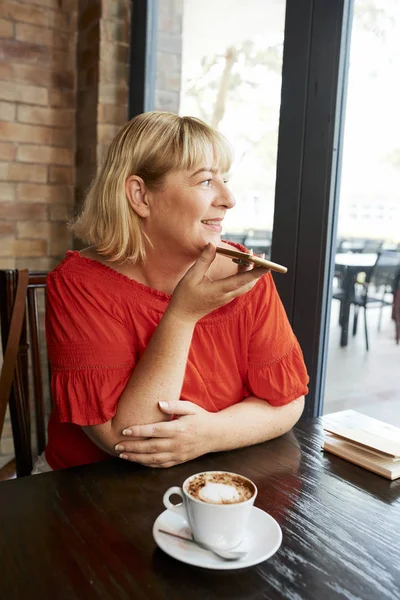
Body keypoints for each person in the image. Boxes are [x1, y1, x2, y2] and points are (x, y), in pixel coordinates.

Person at [33, 111, 309, 473]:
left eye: (224, 179)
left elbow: (288, 401)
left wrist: (211, 434)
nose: (228, 199)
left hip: (215, 481)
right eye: (206, 181)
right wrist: (183, 314)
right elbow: (129, 438)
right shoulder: (80, 284)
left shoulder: (245, 273)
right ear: (140, 195)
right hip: (93, 493)